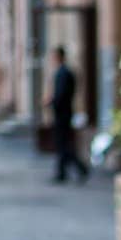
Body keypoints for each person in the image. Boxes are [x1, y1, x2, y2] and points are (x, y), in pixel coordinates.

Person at [44, 46, 88, 183]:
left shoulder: (63, 73)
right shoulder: (65, 72)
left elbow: (61, 95)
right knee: (62, 143)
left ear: (59, 57)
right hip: (65, 112)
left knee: (62, 143)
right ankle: (63, 172)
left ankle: (77, 169)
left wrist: (50, 102)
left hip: (62, 113)